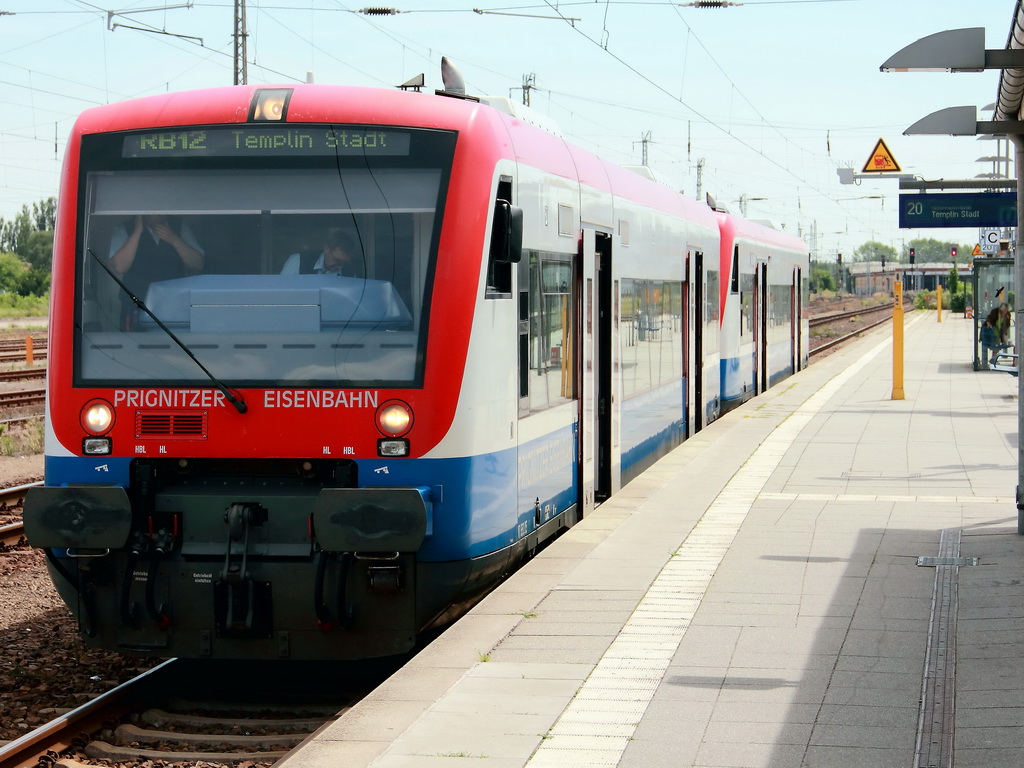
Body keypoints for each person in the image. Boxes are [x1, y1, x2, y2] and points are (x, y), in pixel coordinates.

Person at [108, 214, 205, 328]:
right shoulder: (126, 227)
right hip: (136, 307)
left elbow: (198, 264)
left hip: (173, 306)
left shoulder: (179, 225)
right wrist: (137, 231)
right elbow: (119, 267)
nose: (160, 215)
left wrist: (174, 239)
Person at [280, 228, 364, 278]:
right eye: (336, 259)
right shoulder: (299, 261)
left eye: (343, 262)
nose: (339, 265)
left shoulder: (350, 272)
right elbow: (282, 289)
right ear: (326, 249)